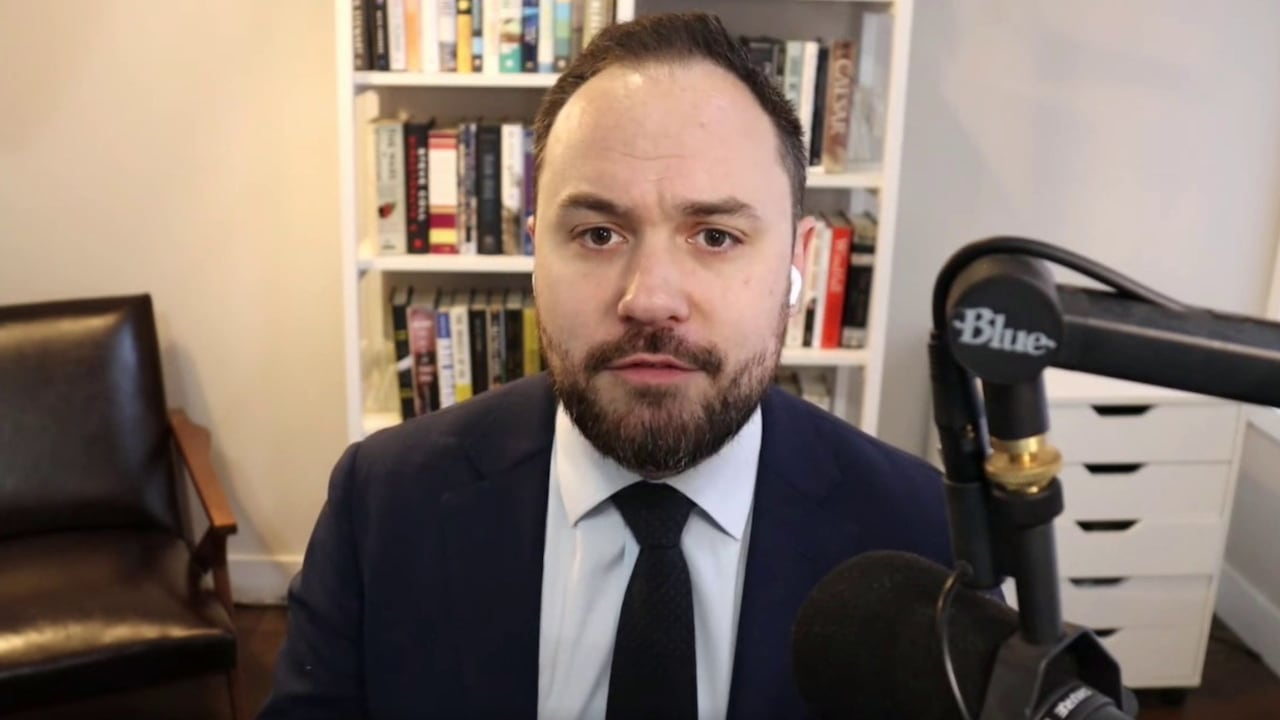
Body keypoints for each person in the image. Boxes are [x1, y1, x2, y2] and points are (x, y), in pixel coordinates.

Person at [260, 11, 955, 720]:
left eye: (716, 236)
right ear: (537, 255)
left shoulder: (922, 536)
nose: (650, 299)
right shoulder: (381, 505)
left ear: (797, 263)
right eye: (598, 233)